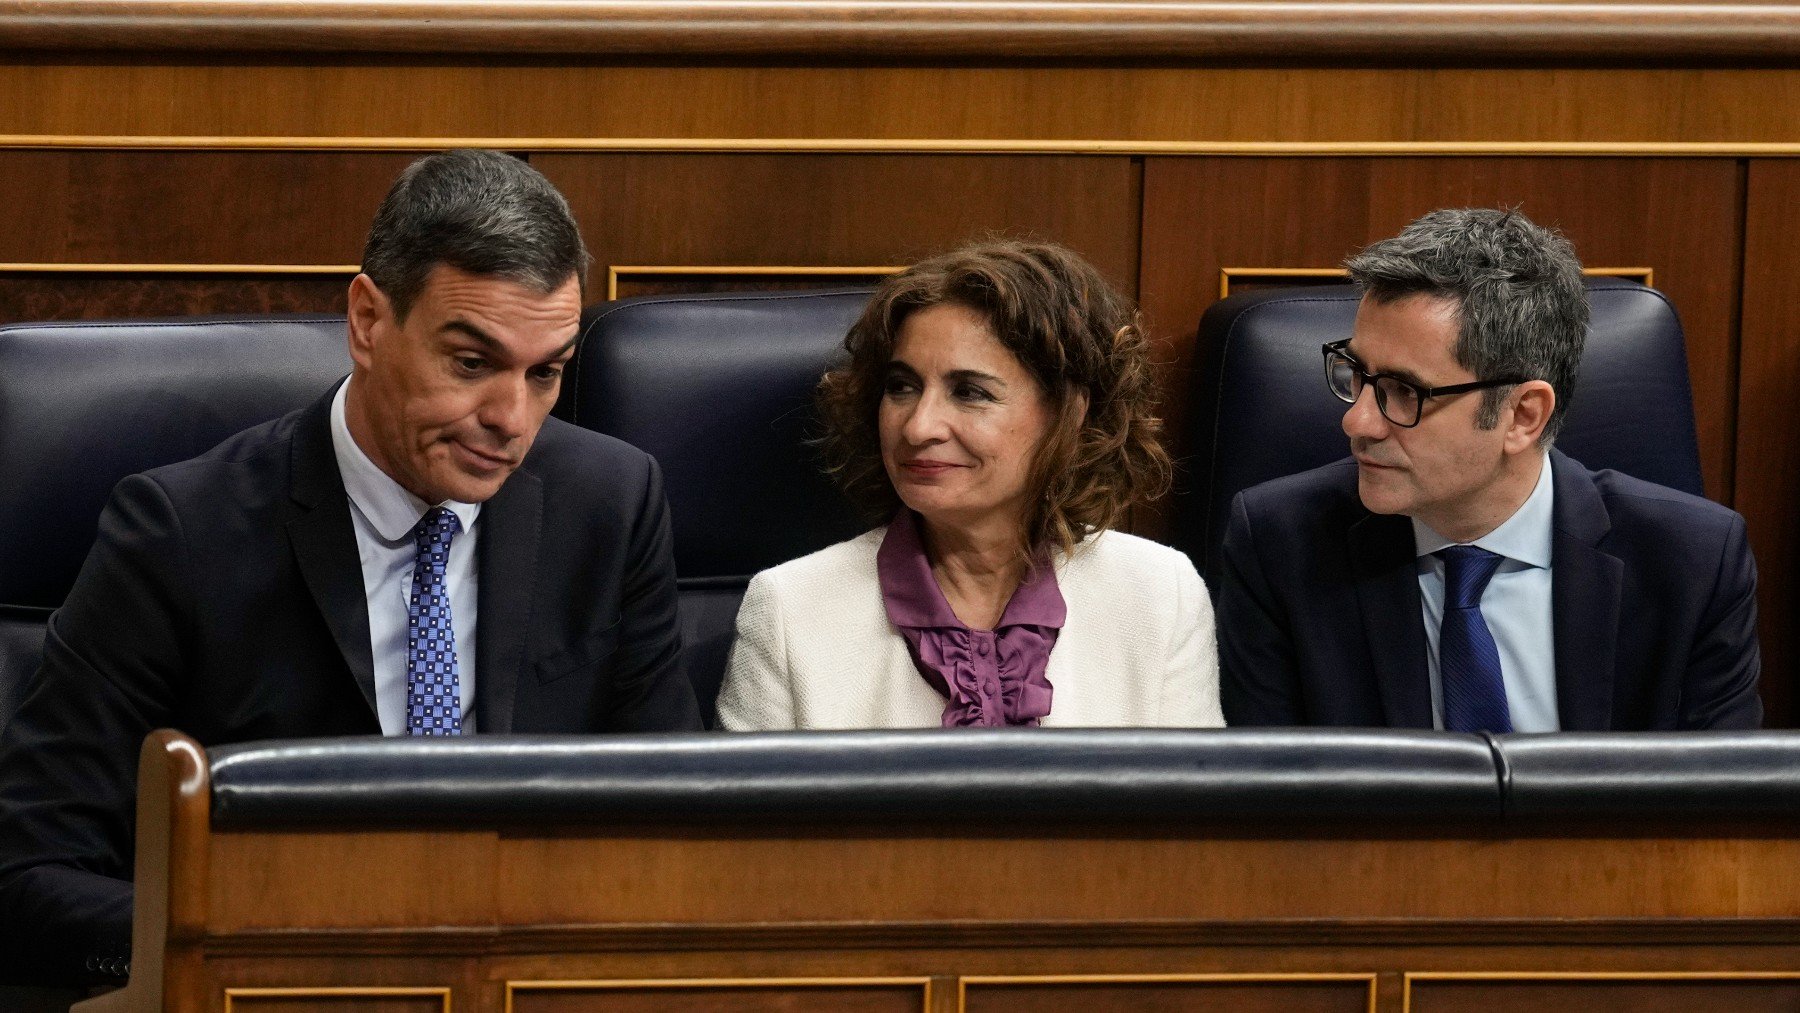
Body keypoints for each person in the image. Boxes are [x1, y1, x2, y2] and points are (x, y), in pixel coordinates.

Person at [0, 149, 702, 987]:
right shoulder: (181, 534)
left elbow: (673, 831)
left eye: (545, 372)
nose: (512, 420)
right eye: (471, 363)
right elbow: (28, 878)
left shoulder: (611, 506)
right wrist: (257, 947)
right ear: (368, 319)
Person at [1218, 208, 1761, 731]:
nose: (1357, 421)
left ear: (1523, 415)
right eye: (1355, 373)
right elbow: (1273, 805)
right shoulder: (1281, 546)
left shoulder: (1693, 564)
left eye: (1404, 392)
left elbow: (1719, 808)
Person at [716, 240, 1222, 730]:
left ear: (1069, 414)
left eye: (971, 392)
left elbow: (1195, 816)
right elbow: (749, 819)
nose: (918, 427)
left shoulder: (1160, 595)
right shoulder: (789, 609)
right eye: (902, 387)